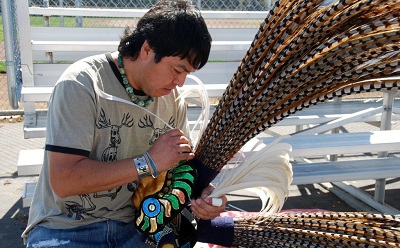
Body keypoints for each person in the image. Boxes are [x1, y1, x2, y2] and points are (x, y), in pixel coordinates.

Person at [22, 0, 227, 247]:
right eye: (176, 69)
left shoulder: (173, 100)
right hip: (66, 227)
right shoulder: (82, 84)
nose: (180, 83)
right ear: (147, 50)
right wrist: (148, 162)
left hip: (137, 227)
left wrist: (202, 195)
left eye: (187, 74)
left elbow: (178, 172)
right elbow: (64, 180)